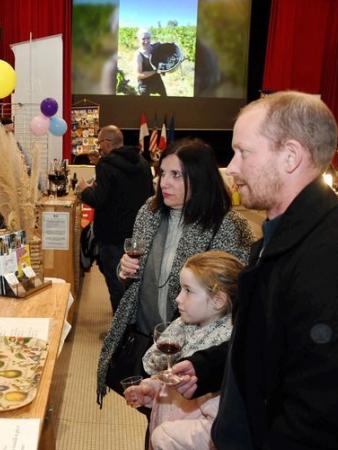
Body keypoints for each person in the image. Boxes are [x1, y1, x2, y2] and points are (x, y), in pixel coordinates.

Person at [171, 91, 338, 449]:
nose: (232, 167)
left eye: (243, 152)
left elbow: (318, 417)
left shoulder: (333, 260)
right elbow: (268, 345)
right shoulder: (280, 234)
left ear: (290, 156)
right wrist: (209, 367)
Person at [96, 137, 253, 406]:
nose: (163, 183)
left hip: (195, 348)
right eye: (163, 173)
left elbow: (232, 299)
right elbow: (138, 281)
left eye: (176, 175)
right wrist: (125, 271)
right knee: (152, 411)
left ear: (200, 178)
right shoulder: (149, 211)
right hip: (147, 334)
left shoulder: (227, 225)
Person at [124, 251, 244, 450]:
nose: (178, 299)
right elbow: (172, 381)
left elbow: (216, 427)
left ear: (218, 301)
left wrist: (167, 437)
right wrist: (152, 390)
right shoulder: (184, 326)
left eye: (188, 290)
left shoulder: (223, 359)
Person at [77, 125, 154, 314]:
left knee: (114, 281)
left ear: (107, 143)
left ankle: (120, 333)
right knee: (133, 281)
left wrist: (84, 190)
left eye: (99, 143)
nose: (98, 147)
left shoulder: (106, 165)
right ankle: (133, 324)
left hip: (112, 236)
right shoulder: (143, 162)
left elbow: (99, 200)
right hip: (138, 234)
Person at [135, 30, 167, 97]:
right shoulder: (138, 55)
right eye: (143, 39)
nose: (146, 41)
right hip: (145, 84)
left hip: (157, 80)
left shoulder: (155, 48)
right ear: (138, 39)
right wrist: (156, 71)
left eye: (148, 38)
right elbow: (138, 75)